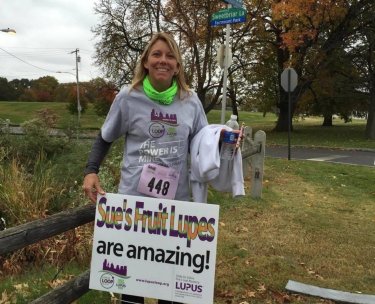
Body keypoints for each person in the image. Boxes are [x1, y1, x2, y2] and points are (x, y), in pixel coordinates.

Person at [83, 32, 208, 304]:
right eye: (157, 54)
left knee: (172, 291)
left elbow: (205, 145)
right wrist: (91, 170)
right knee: (133, 290)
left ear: (178, 65)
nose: (163, 60)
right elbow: (105, 137)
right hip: (134, 209)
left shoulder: (191, 101)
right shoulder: (128, 97)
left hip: (177, 209)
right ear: (146, 62)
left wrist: (228, 141)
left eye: (170, 55)